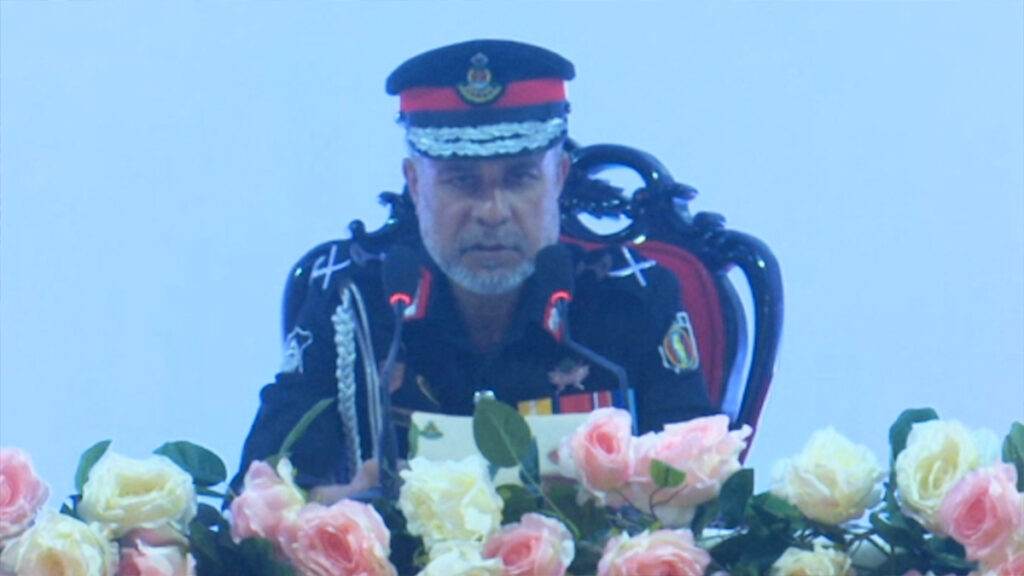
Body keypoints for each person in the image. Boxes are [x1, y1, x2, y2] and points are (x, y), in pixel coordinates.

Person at [234, 39, 716, 502]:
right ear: (415, 184)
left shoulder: (632, 297)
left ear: (559, 179)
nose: (492, 211)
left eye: (520, 178)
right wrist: (341, 504)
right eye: (462, 182)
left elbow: (702, 486)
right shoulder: (353, 301)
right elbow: (256, 495)